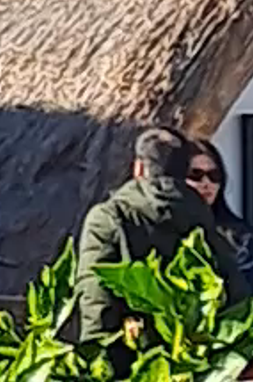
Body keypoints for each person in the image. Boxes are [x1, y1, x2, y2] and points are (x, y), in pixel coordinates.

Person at [69, 114, 206, 344]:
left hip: (132, 357)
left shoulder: (108, 218)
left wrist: (96, 354)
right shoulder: (203, 218)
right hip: (192, 357)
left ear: (139, 168)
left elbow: (95, 293)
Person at [178, 134, 253, 308]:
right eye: (196, 175)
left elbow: (245, 301)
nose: (206, 183)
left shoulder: (240, 238)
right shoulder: (163, 231)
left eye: (214, 175)